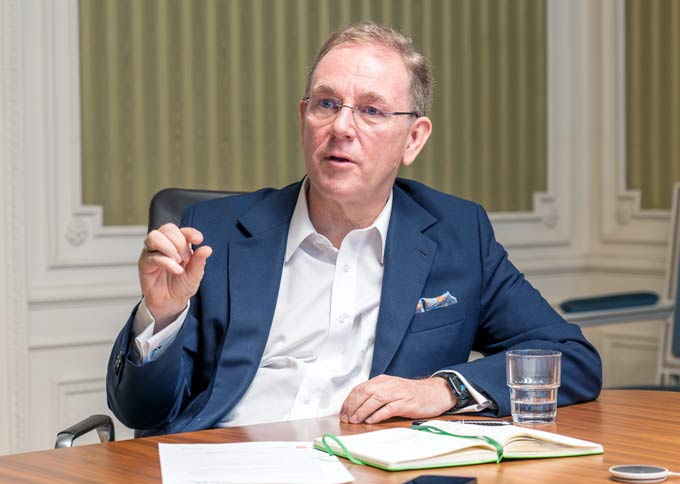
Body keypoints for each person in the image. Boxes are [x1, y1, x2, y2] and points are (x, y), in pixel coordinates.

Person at [107, 22, 601, 436]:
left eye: (371, 110)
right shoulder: (214, 234)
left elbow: (571, 358)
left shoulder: (458, 236)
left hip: (370, 469)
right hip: (226, 464)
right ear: (304, 119)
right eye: (326, 104)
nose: (341, 127)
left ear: (413, 139)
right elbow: (140, 413)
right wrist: (161, 317)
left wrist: (443, 389)